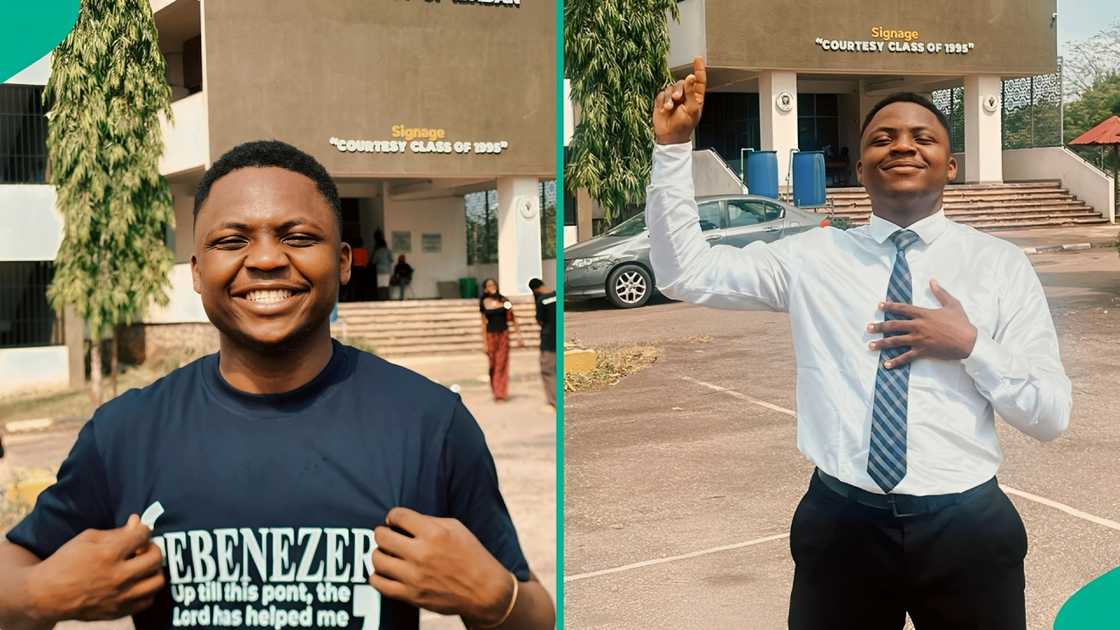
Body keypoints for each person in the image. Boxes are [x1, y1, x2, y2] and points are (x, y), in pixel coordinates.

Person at [0, 140, 555, 630]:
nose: (266, 259)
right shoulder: (127, 433)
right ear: (196, 272)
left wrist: (494, 597)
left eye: (298, 236)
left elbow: (535, 611)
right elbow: (13, 568)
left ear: (343, 262)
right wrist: (41, 594)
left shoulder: (430, 424)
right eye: (231, 241)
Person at [648, 58, 1070, 630]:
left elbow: (1049, 415)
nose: (903, 146)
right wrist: (673, 149)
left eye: (923, 138)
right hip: (841, 526)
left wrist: (972, 345)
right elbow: (685, 273)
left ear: (951, 166)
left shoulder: (1000, 265)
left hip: (968, 528)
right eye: (882, 139)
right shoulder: (812, 258)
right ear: (860, 167)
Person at [479, 279, 523, 402]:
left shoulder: (504, 300)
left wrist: (519, 335)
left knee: (502, 364)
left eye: (493, 284)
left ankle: (501, 393)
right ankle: (495, 389)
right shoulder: (483, 302)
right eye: (489, 285)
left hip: (503, 334)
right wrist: (484, 343)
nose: (492, 287)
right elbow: (483, 323)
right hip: (490, 336)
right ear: (485, 288)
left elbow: (512, 318)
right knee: (492, 365)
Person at [528, 278, 556, 408]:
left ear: (534, 290)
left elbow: (540, 321)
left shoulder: (542, 300)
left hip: (548, 341)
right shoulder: (557, 294)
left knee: (548, 371)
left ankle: (554, 401)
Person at [372, 229, 393, 301]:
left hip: (379, 271)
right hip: (387, 271)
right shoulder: (388, 251)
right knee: (386, 286)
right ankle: (387, 299)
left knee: (380, 287)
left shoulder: (377, 251)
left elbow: (373, 261)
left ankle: (381, 300)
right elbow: (391, 260)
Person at [347, 236, 369, 301]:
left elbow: (351, 260)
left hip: (354, 269)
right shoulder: (364, 250)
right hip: (362, 269)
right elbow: (366, 261)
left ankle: (355, 297)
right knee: (362, 284)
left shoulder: (352, 250)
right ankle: (362, 297)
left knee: (354, 284)